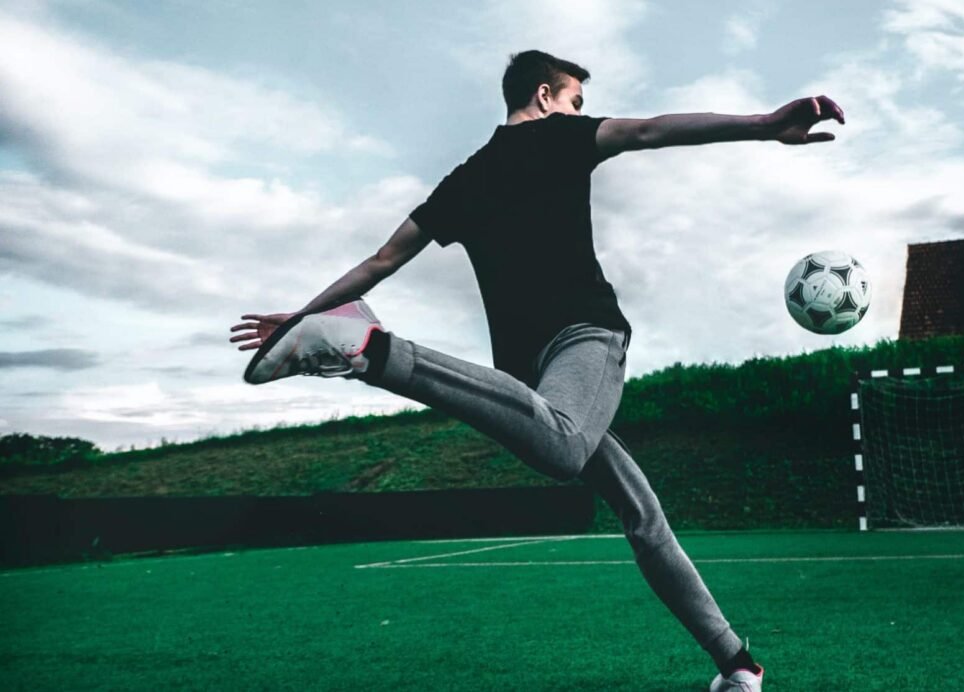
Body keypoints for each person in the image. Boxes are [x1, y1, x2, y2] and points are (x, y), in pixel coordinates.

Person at [230, 49, 843, 691]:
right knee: (564, 447)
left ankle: (737, 667)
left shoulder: (463, 179)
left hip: (530, 377)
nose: (583, 110)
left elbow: (381, 261)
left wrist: (303, 317)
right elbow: (651, 129)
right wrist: (765, 123)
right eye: (577, 99)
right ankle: (377, 353)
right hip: (585, 337)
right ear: (547, 96)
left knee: (641, 513)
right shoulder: (562, 136)